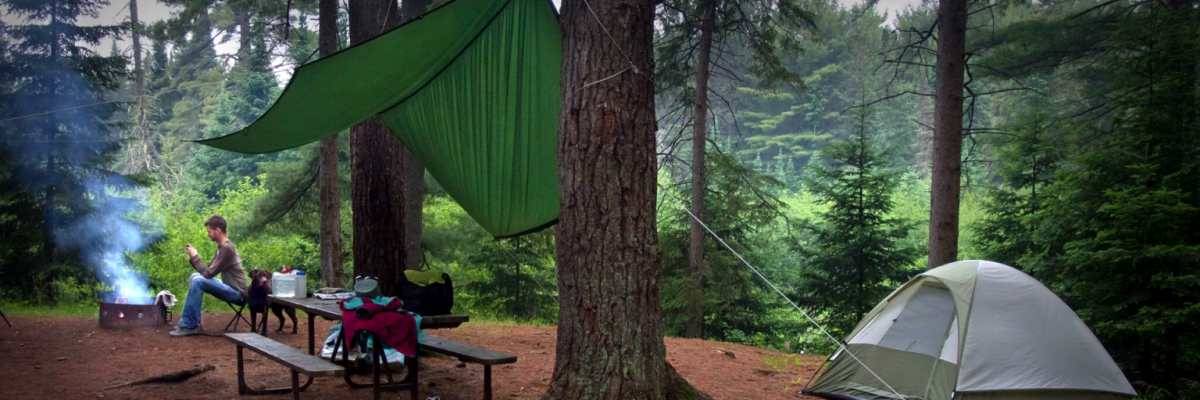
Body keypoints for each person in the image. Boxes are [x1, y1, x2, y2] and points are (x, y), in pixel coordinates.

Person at [170, 215, 249, 337]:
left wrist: (195, 256)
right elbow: (206, 270)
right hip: (230, 288)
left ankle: (190, 326)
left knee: (198, 281)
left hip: (238, 294)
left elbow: (208, 274)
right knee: (195, 276)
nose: (208, 234)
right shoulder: (221, 248)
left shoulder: (227, 249)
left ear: (217, 230)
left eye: (209, 231)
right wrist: (194, 257)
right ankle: (187, 322)